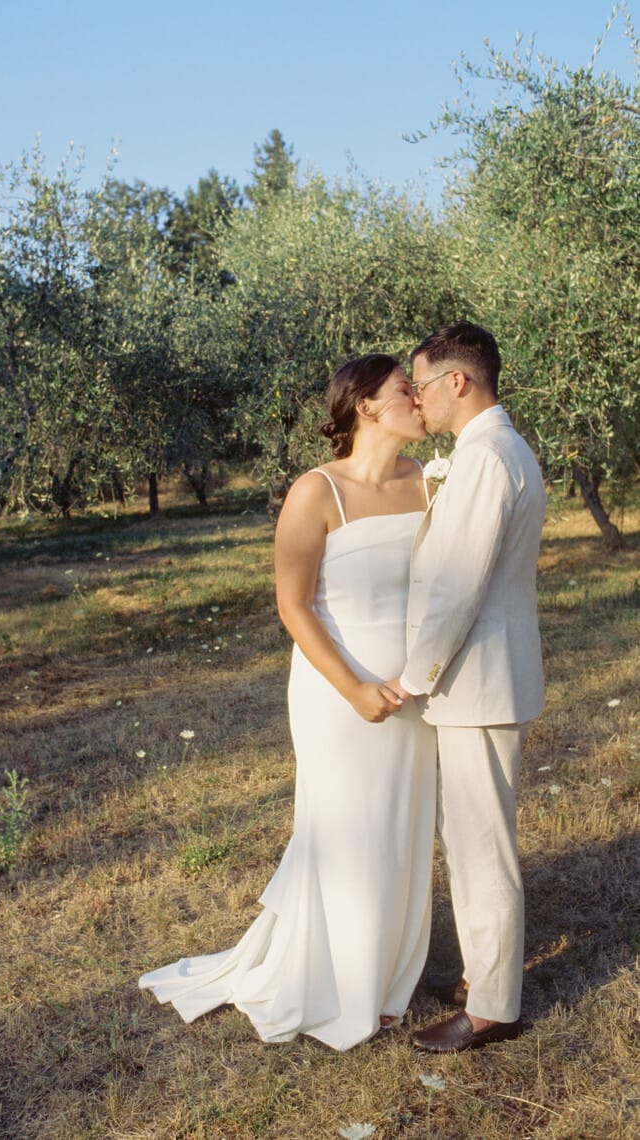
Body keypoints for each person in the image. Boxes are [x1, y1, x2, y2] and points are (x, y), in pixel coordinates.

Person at [139, 354, 437, 1050]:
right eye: (404, 390)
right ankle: (340, 980)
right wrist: (357, 689)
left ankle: (390, 973)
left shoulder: (427, 481)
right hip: (340, 693)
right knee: (349, 827)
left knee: (403, 826)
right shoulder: (317, 491)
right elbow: (292, 605)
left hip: (414, 695)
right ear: (365, 404)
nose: (419, 401)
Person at [386, 321, 547, 1053]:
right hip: (486, 675)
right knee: (475, 838)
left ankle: (493, 1007)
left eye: (421, 385)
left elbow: (457, 586)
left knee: (482, 848)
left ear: (459, 381)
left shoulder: (485, 460)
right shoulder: (496, 450)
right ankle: (488, 975)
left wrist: (416, 676)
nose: (417, 399)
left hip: (475, 679)